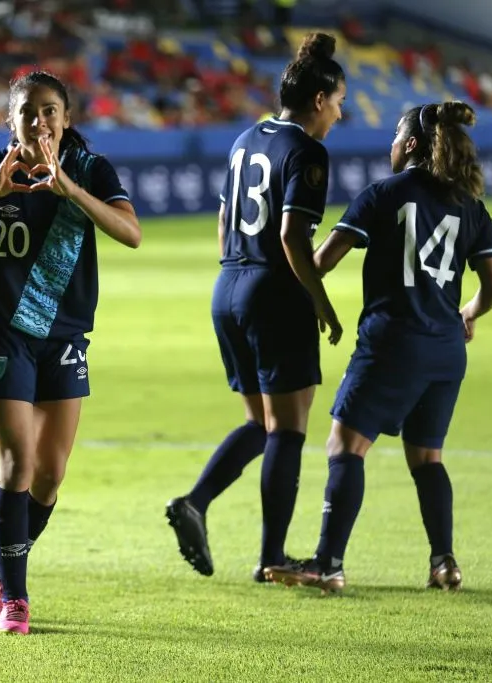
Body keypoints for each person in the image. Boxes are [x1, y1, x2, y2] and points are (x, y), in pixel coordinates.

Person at [265, 102, 492, 593]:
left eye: (396, 136)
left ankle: (327, 564)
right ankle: (445, 563)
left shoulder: (382, 195)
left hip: (391, 344)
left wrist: (293, 271)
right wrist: (468, 314)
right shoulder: (471, 206)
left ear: (412, 144)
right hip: (445, 352)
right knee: (427, 458)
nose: (391, 144)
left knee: (345, 446)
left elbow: (322, 261)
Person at [0, 70, 141, 635]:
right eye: (29, 111)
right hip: (3, 335)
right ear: (12, 120)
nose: (41, 120)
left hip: (64, 335)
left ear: (67, 117)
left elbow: (131, 233)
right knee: (17, 466)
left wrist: (69, 191)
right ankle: (15, 600)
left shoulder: (91, 169)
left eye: (51, 110)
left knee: (50, 476)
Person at [165, 33, 345, 581]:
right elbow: (293, 235)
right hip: (274, 293)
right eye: (338, 101)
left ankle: (195, 502)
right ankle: (271, 556)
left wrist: (238, 270)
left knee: (258, 423)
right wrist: (321, 300)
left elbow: (225, 221)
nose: (341, 111)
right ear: (318, 100)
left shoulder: (246, 138)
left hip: (229, 286)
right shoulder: (308, 152)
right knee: (288, 429)